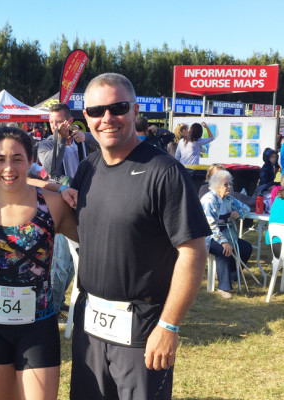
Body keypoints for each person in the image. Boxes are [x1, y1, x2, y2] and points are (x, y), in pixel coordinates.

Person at [64, 73, 210, 400]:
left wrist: (169, 325)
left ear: (134, 110)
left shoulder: (165, 171)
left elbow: (193, 252)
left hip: (143, 329)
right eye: (96, 111)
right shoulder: (88, 167)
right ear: (84, 116)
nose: (107, 118)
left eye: (118, 107)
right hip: (90, 327)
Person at [0, 126, 78, 400]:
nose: (8, 167)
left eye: (17, 159)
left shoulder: (54, 205)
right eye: (0, 159)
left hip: (39, 324)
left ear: (31, 161)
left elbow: (95, 241)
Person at [37, 103, 97, 319]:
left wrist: (88, 138)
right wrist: (61, 139)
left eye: (59, 122)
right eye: (52, 122)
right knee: (62, 261)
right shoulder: (46, 144)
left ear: (70, 121)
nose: (55, 126)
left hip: (85, 205)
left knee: (77, 260)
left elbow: (107, 147)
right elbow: (51, 167)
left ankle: (59, 301)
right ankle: (50, 309)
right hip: (61, 206)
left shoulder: (82, 142)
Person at [200, 170, 252, 299]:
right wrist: (223, 242)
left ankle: (232, 276)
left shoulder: (228, 198)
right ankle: (224, 287)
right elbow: (210, 225)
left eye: (230, 184)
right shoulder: (209, 200)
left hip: (227, 234)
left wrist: (239, 213)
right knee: (224, 250)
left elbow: (246, 208)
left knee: (246, 248)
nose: (229, 187)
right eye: (226, 184)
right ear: (217, 186)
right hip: (208, 237)